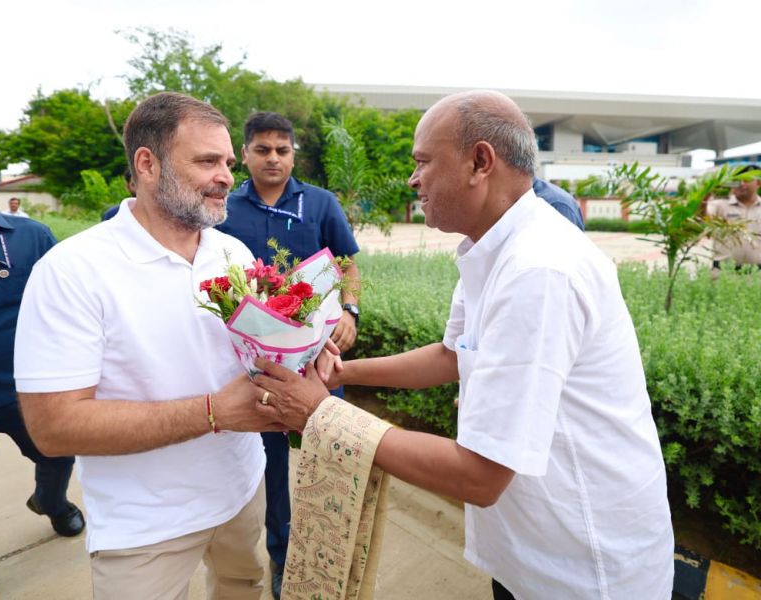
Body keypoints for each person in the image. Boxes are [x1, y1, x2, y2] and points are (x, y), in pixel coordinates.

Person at [251, 91, 675, 599]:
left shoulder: (537, 271)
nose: (413, 180)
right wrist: (342, 374)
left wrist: (326, 416)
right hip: (529, 547)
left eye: (423, 162)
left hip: (581, 565)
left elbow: (480, 475)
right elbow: (452, 354)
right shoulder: (490, 246)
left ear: (479, 162)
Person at [13, 92, 284, 600]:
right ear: (147, 163)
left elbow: (257, 351)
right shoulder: (72, 271)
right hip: (146, 524)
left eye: (227, 162)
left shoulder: (233, 252)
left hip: (243, 488)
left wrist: (303, 357)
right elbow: (52, 428)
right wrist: (213, 412)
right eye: (207, 161)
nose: (227, 175)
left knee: (243, 586)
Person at [215, 111, 361, 599]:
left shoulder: (319, 202)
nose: (273, 158)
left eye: (282, 149)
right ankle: (283, 554)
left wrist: (351, 313)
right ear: (246, 153)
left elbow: (347, 266)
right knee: (272, 461)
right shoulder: (225, 206)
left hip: (317, 357)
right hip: (257, 363)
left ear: (294, 153)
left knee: (329, 448)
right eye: (262, 149)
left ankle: (335, 549)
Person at [0, 139, 84, 600]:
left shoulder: (31, 237)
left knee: (58, 455)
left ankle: (50, 502)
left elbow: (72, 302)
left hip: (25, 392)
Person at [710, 164, 761, 273]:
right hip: (723, 273)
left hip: (758, 272)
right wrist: (704, 197)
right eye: (737, 180)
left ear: (758, 183)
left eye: (746, 179)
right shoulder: (720, 205)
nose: (741, 184)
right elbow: (704, 218)